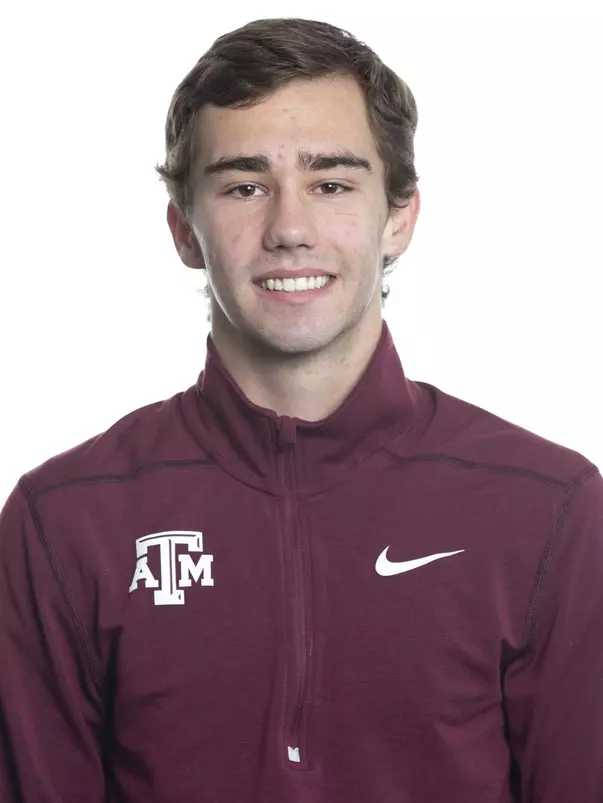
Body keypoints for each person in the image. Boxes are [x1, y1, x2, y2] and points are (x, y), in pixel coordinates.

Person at [0, 16, 601, 803]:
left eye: (332, 183)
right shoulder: (64, 519)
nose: (289, 228)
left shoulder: (546, 508)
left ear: (399, 217)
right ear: (184, 228)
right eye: (244, 185)